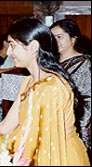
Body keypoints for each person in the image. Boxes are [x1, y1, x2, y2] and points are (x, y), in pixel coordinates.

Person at [0, 17, 90, 165]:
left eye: (13, 45)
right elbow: (5, 126)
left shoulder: (51, 87)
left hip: (61, 157)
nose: (9, 52)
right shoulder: (28, 82)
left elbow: (34, 140)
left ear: (33, 46)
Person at [50, 18, 91, 163]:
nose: (55, 41)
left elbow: (86, 97)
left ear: (73, 39)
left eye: (59, 37)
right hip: (54, 120)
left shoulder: (85, 63)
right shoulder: (51, 64)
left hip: (78, 123)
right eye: (52, 37)